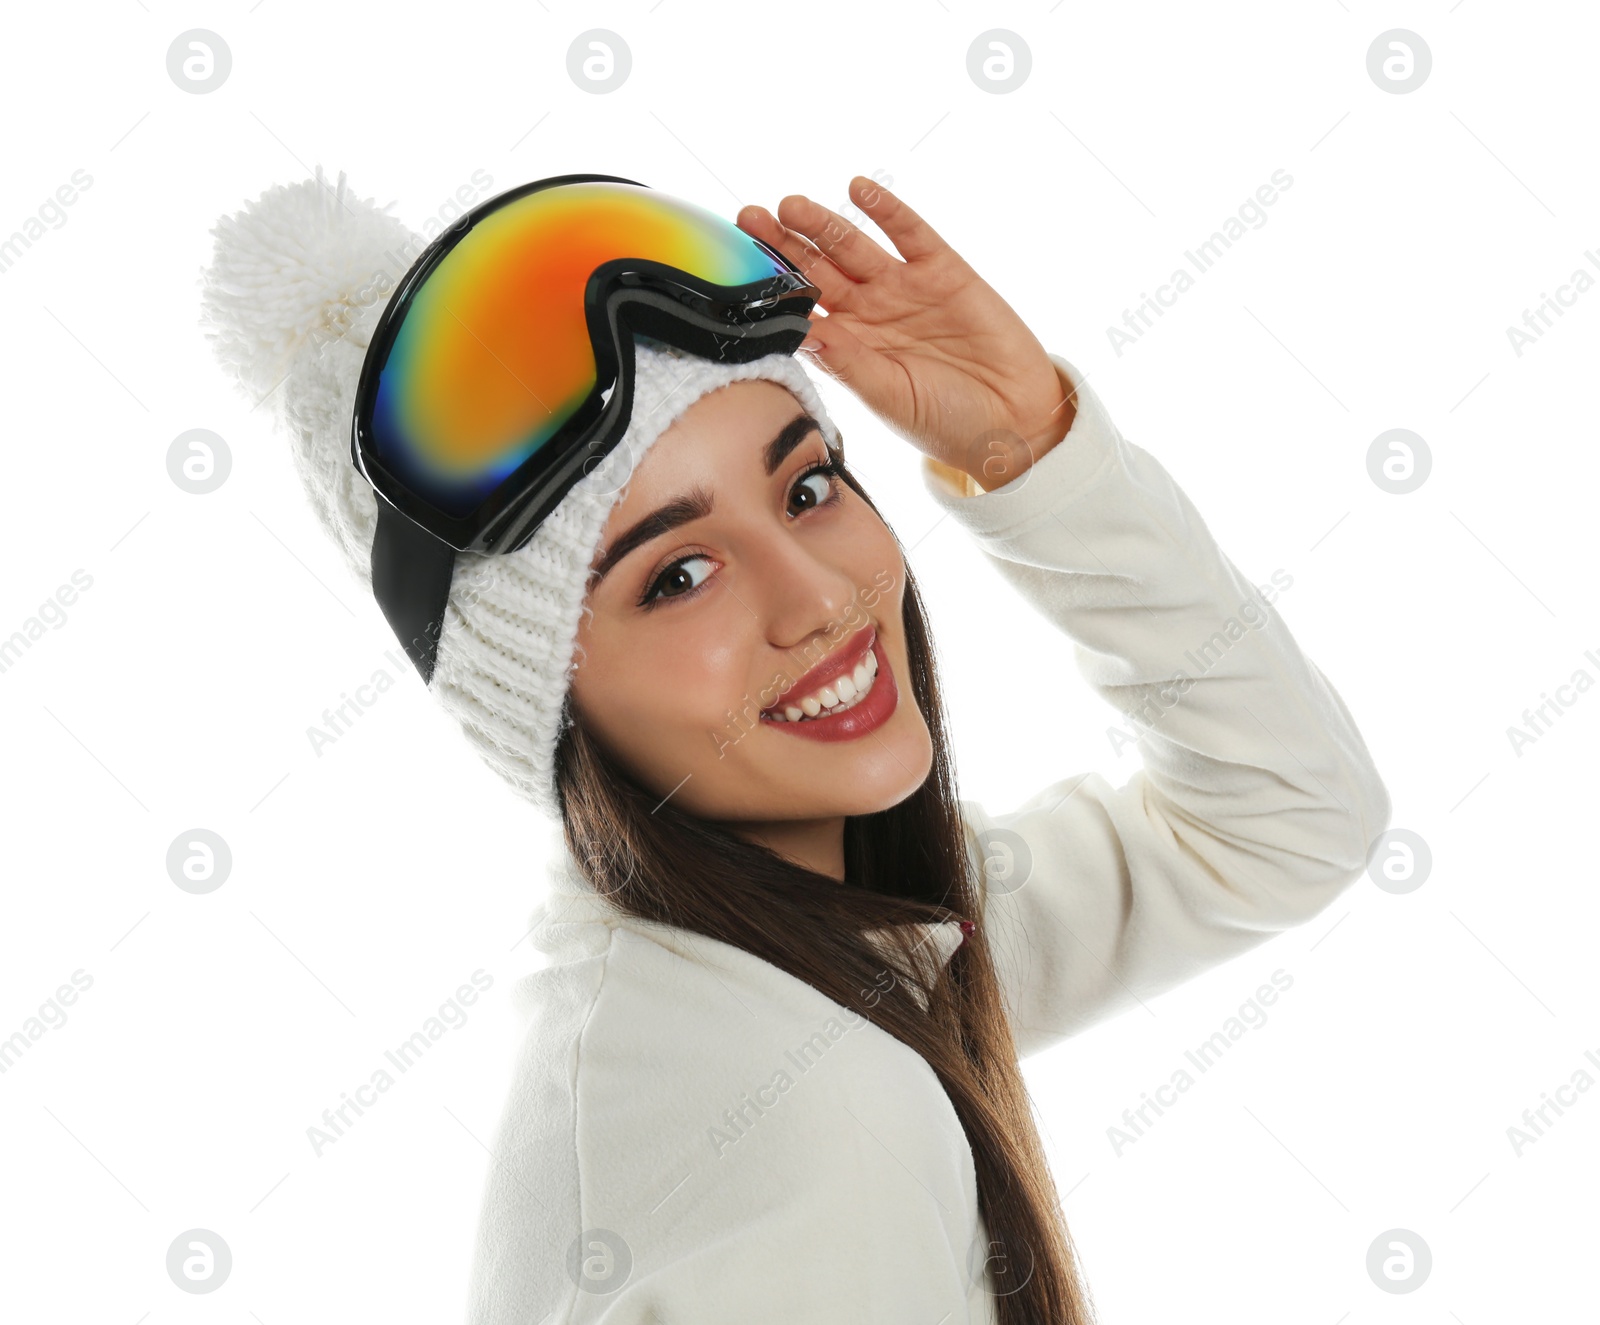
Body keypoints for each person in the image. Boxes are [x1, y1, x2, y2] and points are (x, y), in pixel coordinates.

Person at [199, 169, 1391, 1325]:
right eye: (678, 574)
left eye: (808, 487)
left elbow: (1286, 817)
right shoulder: (802, 1113)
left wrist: (1029, 444)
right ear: (544, 707)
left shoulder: (790, 952)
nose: (816, 595)